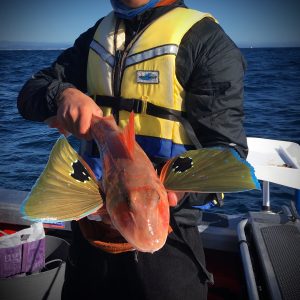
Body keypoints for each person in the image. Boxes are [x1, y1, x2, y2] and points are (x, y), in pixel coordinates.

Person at [18, 0, 247, 299]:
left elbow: (228, 150)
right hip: (92, 229)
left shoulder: (204, 40)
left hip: (168, 236)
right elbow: (29, 95)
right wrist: (62, 94)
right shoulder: (94, 39)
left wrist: (183, 191)